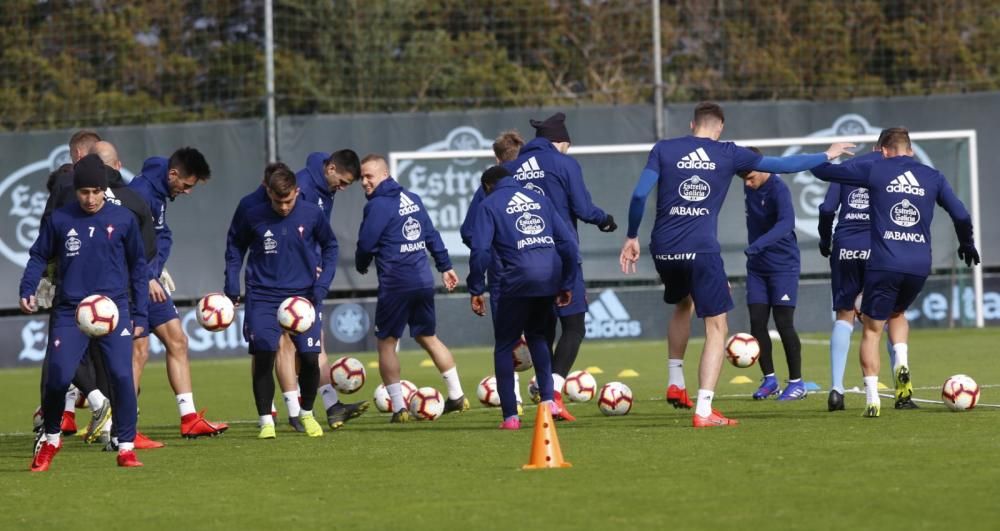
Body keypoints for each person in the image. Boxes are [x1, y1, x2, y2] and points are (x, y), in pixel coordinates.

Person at [620, 101, 855, 427]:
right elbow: (783, 165)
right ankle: (704, 410)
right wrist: (827, 154)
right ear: (720, 128)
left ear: (692, 125)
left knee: (682, 302)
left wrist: (631, 236)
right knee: (717, 326)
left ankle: (675, 379)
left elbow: (637, 195)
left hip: (663, 249)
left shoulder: (664, 148)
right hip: (701, 250)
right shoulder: (728, 152)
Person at [810, 127, 979, 417]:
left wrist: (829, 155)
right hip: (918, 265)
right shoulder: (933, 176)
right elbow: (961, 215)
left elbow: (824, 178)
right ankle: (901, 369)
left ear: (884, 151)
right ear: (910, 150)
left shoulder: (876, 170)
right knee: (897, 314)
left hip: (882, 259)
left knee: (871, 329)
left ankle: (869, 397)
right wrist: (966, 242)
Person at [21, 154, 148, 471]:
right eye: (84, 192)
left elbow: (138, 268)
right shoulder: (60, 219)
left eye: (96, 191)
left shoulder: (123, 220)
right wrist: (27, 288)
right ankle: (50, 440)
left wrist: (141, 316)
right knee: (58, 378)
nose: (90, 198)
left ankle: (126, 447)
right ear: (75, 190)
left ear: (105, 189)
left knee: (122, 376)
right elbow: (38, 255)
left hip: (114, 309)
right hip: (70, 310)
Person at [225, 165, 339, 438]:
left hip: (304, 295)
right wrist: (231, 285)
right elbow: (234, 246)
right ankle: (266, 420)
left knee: (311, 358)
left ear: (297, 192)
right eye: (278, 201)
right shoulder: (251, 212)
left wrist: (322, 285)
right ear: (268, 192)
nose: (284, 207)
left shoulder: (312, 213)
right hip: (262, 295)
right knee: (264, 354)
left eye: (289, 201)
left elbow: (331, 247)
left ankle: (308, 414)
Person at [355, 154, 468, 423]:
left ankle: (398, 407)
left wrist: (361, 264)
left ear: (385, 174)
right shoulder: (412, 198)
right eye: (361, 177)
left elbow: (367, 243)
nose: (364, 182)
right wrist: (445, 266)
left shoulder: (379, 205)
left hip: (396, 283)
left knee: (386, 343)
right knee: (428, 337)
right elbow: (431, 234)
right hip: (422, 281)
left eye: (369, 176)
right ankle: (457, 396)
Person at [468, 165, 579, 430]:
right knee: (538, 336)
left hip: (515, 281)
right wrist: (566, 282)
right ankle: (548, 402)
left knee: (505, 345)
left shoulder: (489, 204)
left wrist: (475, 288)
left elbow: (481, 250)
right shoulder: (540, 199)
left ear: (487, 187)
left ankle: (510, 417)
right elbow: (568, 244)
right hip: (549, 278)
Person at [129, 147, 227, 443]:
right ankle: (126, 429)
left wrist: (155, 271)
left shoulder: (160, 179)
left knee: (178, 341)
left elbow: (161, 235)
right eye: (185, 186)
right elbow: (124, 240)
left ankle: (189, 418)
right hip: (132, 283)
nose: (186, 192)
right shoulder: (141, 194)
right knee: (139, 352)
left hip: (150, 278)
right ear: (172, 175)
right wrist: (147, 275)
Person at [814, 129, 913, 411]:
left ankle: (836, 389)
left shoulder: (848, 169)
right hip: (880, 248)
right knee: (892, 312)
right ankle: (901, 391)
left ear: (875, 146)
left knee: (844, 314)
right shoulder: (893, 172)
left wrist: (826, 240)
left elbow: (826, 208)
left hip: (845, 246)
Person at [294, 149, 369, 429]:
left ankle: (331, 406)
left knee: (315, 342)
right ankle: (290, 411)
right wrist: (307, 263)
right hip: (292, 276)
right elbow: (292, 232)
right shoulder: (303, 187)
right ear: (331, 168)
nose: (344, 187)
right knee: (287, 348)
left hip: (310, 277)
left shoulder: (326, 184)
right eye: (344, 181)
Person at [460, 130, 527, 411]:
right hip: (545, 268)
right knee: (540, 333)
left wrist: (492, 244)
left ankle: (514, 403)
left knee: (506, 339)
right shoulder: (538, 177)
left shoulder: (491, 187)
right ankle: (552, 394)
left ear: (497, 158)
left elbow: (469, 231)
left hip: (504, 273)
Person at [738, 147, 806, 401]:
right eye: (743, 178)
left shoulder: (779, 189)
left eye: (750, 177)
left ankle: (797, 384)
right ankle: (770, 380)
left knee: (783, 323)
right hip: (757, 267)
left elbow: (787, 223)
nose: (747, 182)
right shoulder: (749, 185)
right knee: (757, 322)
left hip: (782, 265)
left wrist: (758, 244)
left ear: (764, 167)